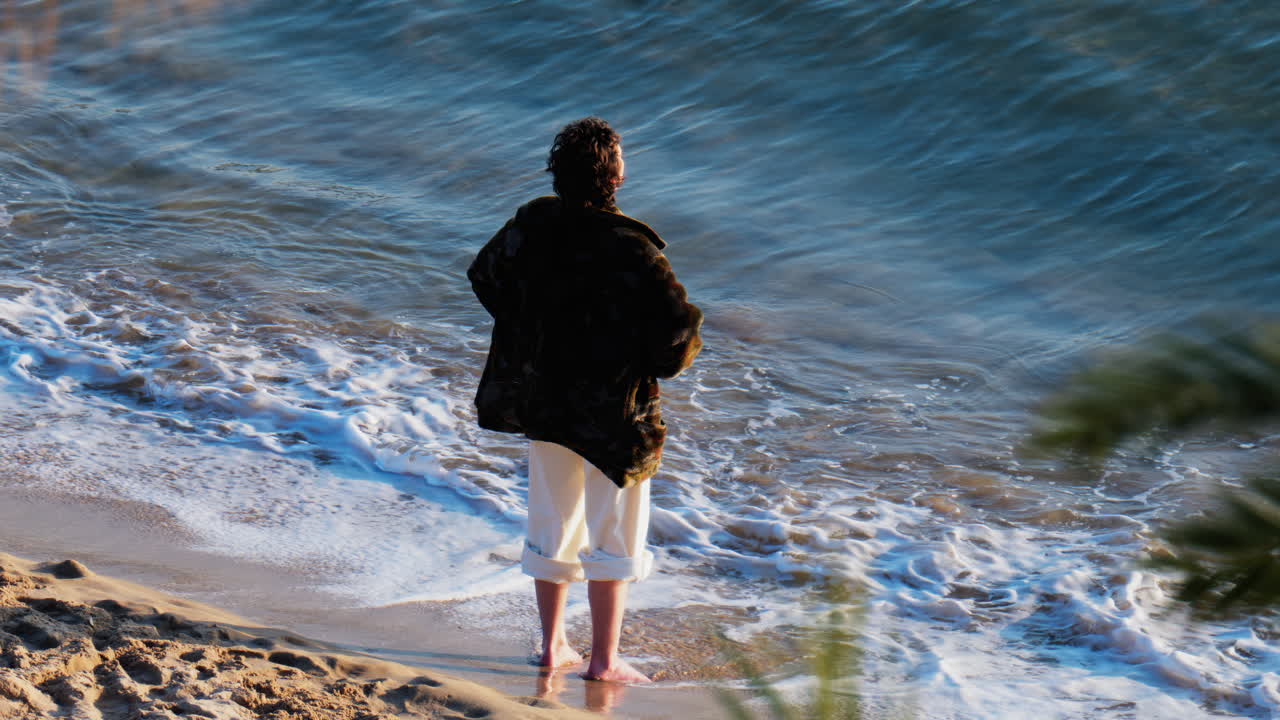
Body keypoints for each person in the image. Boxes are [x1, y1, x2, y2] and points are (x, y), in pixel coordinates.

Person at [468, 117, 702, 684]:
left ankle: (552, 648)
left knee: (551, 523)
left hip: (544, 397)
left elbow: (484, 275)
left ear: (560, 172)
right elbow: (679, 331)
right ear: (613, 176)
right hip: (613, 415)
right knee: (614, 534)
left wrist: (530, 331)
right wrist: (646, 362)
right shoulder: (633, 248)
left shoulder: (533, 223)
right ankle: (604, 661)